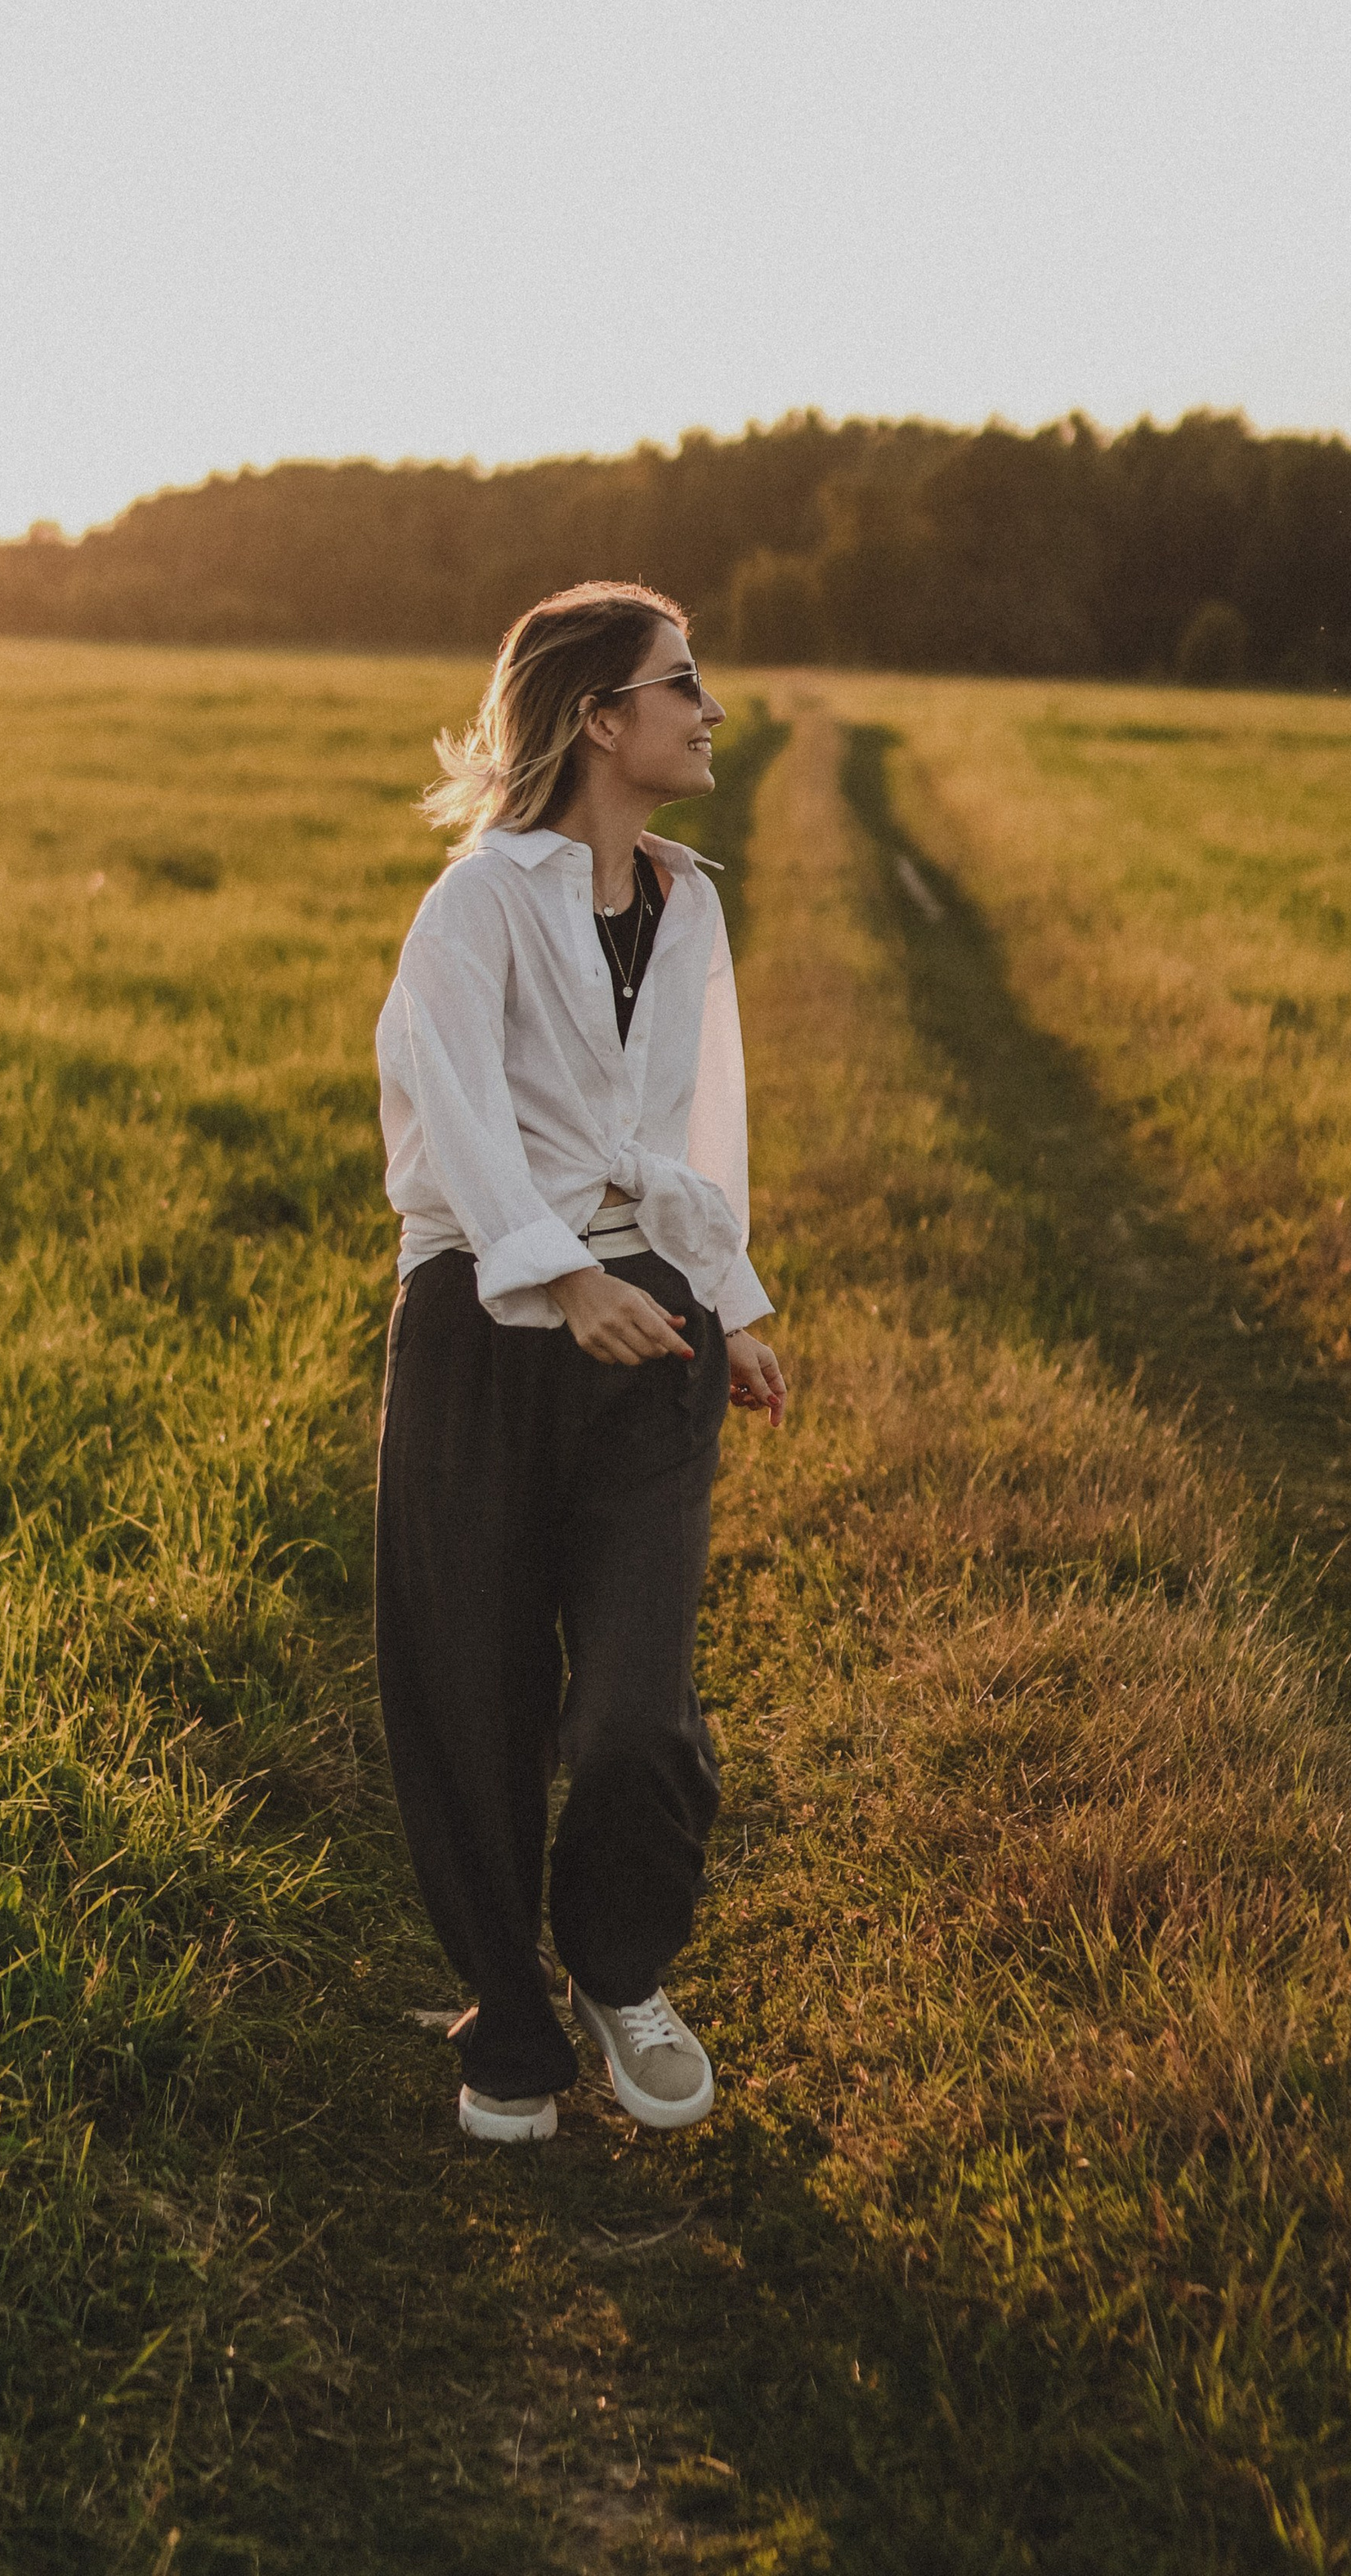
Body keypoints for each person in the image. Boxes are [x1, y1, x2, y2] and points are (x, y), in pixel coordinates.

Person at [374, 580, 788, 2144]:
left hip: (653, 1334)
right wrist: (550, 1275)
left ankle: (620, 1966)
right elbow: (451, 1101)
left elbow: (694, 1127)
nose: (710, 709)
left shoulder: (689, 903)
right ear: (600, 717)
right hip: (483, 1326)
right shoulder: (476, 902)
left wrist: (726, 1294)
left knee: (636, 1708)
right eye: (684, 683)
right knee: (469, 1688)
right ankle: (511, 2019)